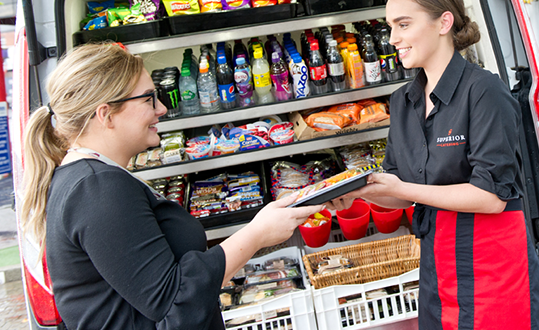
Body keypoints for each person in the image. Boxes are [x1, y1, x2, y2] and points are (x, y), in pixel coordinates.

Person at [19, 43, 321, 330]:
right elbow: (176, 302)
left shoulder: (89, 180)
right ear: (106, 114)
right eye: (149, 98)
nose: (162, 108)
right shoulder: (97, 189)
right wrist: (257, 235)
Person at [330, 0, 539, 329]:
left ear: (444, 22)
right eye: (390, 27)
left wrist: (400, 190)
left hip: (492, 261)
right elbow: (399, 190)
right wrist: (360, 194)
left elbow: (491, 197)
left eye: (403, 24)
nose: (393, 39)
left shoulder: (483, 90)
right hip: (437, 260)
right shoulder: (403, 101)